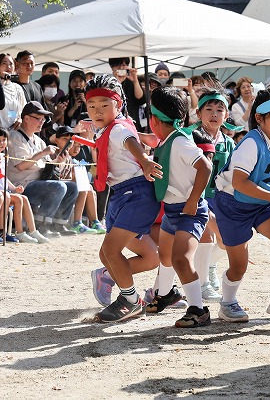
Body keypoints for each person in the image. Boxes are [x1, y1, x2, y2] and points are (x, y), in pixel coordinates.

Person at [212, 84, 270, 322]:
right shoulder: (251, 142)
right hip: (233, 205)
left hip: (262, 203)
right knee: (238, 265)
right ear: (260, 118)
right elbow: (239, 183)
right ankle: (227, 303)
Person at [86, 75, 162, 323]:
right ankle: (109, 277)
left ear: (118, 104)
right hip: (122, 194)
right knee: (148, 257)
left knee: (110, 251)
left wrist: (145, 160)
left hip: (135, 194)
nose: (97, 111)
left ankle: (130, 300)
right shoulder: (114, 126)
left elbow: (129, 141)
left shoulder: (118, 129)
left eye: (104, 105)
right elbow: (129, 135)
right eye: (91, 106)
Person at [144, 86, 213, 328]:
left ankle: (198, 309)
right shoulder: (168, 140)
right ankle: (166, 294)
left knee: (181, 259)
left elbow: (205, 167)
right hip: (173, 210)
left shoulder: (180, 142)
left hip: (189, 210)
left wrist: (194, 199)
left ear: (154, 120)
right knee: (165, 255)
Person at [7, 101, 79, 237]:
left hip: (40, 182)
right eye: (38, 118)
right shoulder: (14, 137)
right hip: (22, 185)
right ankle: (41, 225)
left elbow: (47, 165)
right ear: (26, 118)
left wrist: (58, 161)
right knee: (59, 187)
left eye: (43, 119)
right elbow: (21, 166)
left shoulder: (38, 140)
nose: (42, 122)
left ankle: (58, 224)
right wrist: (43, 152)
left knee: (72, 187)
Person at [193, 87, 235, 302]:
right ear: (198, 113)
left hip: (220, 198)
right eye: (208, 109)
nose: (214, 114)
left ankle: (208, 265)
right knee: (207, 236)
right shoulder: (190, 137)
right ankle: (202, 284)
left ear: (226, 115)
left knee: (228, 240)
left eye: (220, 110)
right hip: (195, 196)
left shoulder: (229, 143)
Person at [0, 128, 49, 243]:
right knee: (6, 196)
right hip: (2, 193)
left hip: (3, 191)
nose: (1, 143)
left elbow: (3, 177)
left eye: (4, 140)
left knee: (22, 198)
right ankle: (2, 231)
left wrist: (14, 188)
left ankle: (26, 232)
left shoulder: (3, 157)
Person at [108, 57, 146, 131]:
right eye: (118, 65)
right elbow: (111, 98)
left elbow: (140, 99)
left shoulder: (132, 80)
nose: (121, 68)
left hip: (132, 122)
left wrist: (135, 81)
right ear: (112, 67)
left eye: (124, 65)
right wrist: (117, 81)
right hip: (114, 122)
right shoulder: (109, 82)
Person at [0, 53, 26, 129]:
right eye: (4, 63)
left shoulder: (17, 88)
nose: (8, 67)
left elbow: (24, 110)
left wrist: (20, 119)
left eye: (11, 64)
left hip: (13, 132)